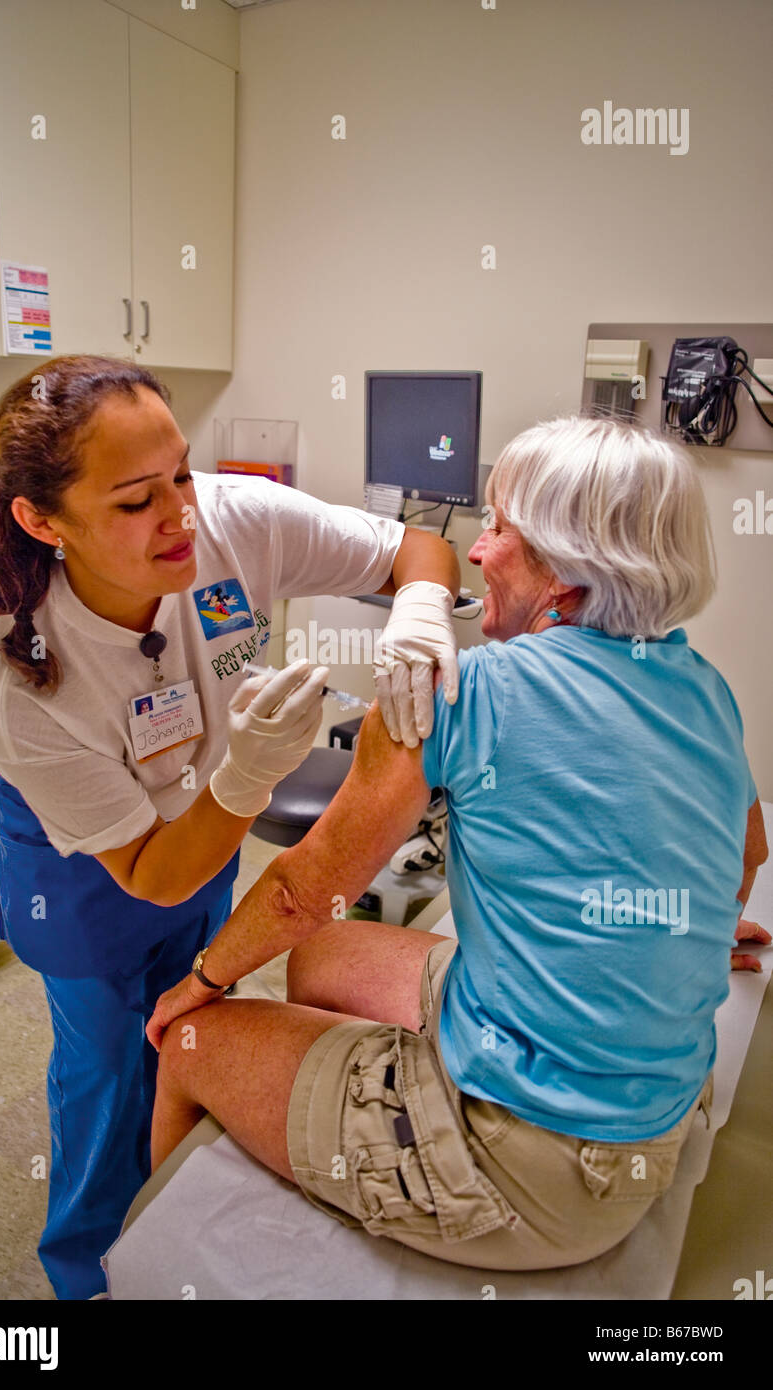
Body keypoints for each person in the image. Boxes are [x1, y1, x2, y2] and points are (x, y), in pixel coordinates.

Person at [147, 413, 769, 1272]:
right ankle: (328, 1092)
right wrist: (687, 933)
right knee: (321, 959)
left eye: (504, 527)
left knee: (187, 1045)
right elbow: (746, 853)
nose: (478, 551)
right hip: (655, 1105)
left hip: (535, 1166)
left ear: (567, 572)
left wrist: (202, 980)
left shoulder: (461, 692)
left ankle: (155, 1267)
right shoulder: (705, 689)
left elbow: (308, 886)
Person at [0, 353, 461, 1299]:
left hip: (202, 822)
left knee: (186, 1019)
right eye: (135, 501)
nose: (182, 513)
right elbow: (149, 873)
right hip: (89, 871)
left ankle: (170, 1228)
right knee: (104, 1075)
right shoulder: (24, 674)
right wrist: (251, 773)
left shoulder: (235, 518)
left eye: (179, 472)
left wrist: (421, 612)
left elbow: (415, 551)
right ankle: (86, 1274)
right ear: (42, 519)